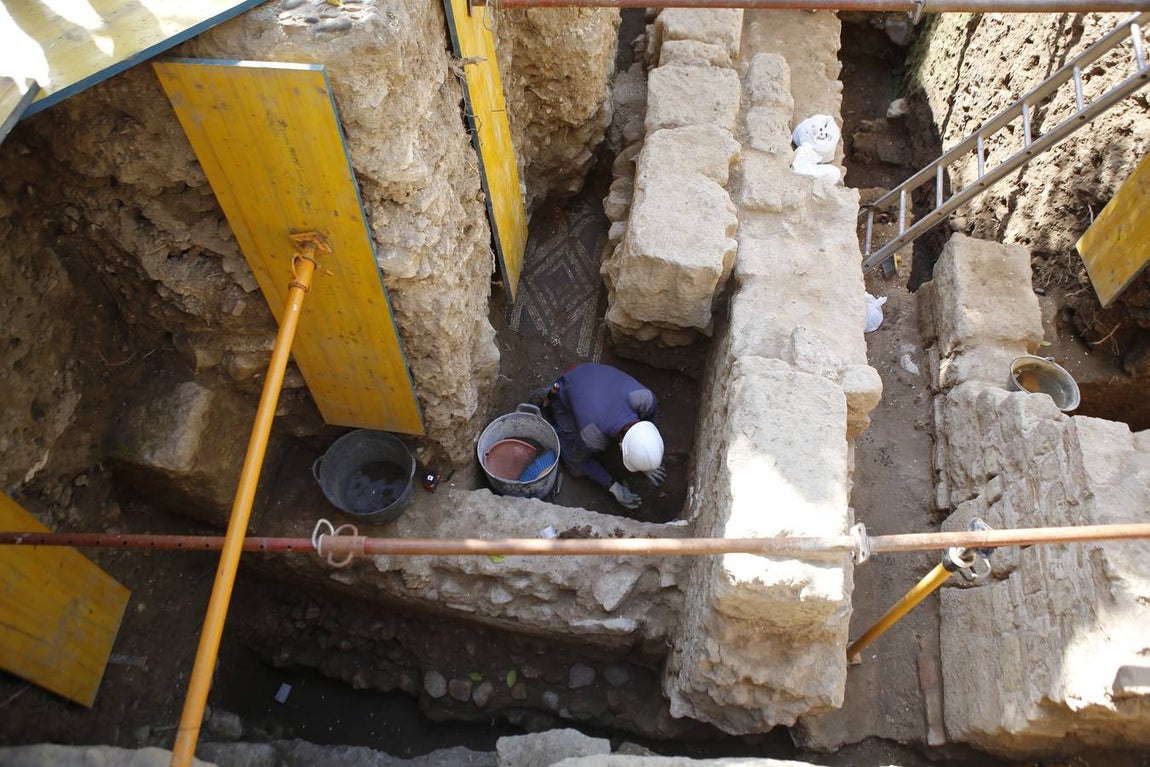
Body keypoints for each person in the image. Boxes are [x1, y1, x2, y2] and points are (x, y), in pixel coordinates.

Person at [534, 363, 665, 509]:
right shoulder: (592, 436)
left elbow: (649, 424)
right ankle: (549, 414)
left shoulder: (646, 398)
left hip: (593, 373)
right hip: (566, 386)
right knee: (575, 468)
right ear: (621, 447)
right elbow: (581, 461)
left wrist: (645, 459)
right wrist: (613, 486)